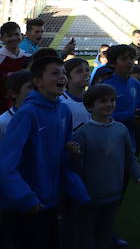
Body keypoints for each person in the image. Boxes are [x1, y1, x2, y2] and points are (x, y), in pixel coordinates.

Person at [0, 56, 90, 249]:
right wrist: (25, 198)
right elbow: (6, 165)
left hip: (50, 201)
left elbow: (62, 159)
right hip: (24, 204)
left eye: (64, 73)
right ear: (38, 81)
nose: (62, 77)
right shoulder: (27, 114)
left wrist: (72, 154)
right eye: (55, 73)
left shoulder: (64, 111)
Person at [73, 83, 140, 248]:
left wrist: (139, 176)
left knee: (106, 232)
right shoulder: (82, 133)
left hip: (114, 193)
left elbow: (130, 157)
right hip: (89, 195)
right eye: (103, 101)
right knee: (87, 235)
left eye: (112, 100)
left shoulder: (120, 129)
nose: (109, 104)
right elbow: (75, 166)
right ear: (89, 106)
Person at [105, 44, 140, 147]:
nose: (129, 62)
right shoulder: (106, 86)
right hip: (110, 139)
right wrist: (130, 115)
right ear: (113, 63)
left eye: (131, 58)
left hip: (131, 138)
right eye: (123, 59)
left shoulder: (135, 84)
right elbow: (102, 116)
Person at [0, 22, 28, 114]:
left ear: (22, 36)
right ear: (2, 39)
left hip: (23, 105)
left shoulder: (28, 57)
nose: (13, 38)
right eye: (9, 35)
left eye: (16, 34)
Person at [0, 71, 32, 142]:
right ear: (13, 93)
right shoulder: (3, 123)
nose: (36, 91)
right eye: (30, 87)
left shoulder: (44, 114)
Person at [61, 58, 91, 132]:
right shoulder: (62, 103)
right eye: (79, 71)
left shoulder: (94, 98)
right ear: (67, 77)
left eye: (87, 70)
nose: (86, 73)